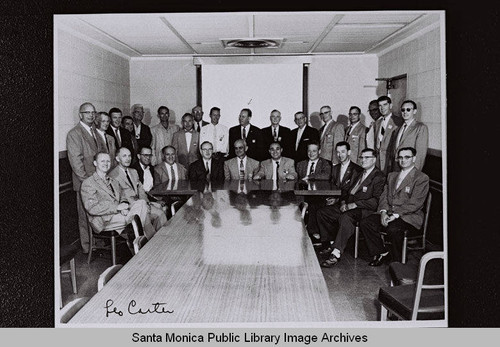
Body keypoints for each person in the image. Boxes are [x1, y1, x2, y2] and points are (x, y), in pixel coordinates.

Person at [359, 147, 429, 265]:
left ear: (414, 159)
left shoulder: (421, 178)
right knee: (366, 223)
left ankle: (397, 263)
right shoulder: (392, 175)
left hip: (409, 216)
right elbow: (384, 196)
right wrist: (383, 212)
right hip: (389, 212)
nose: (403, 160)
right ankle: (382, 253)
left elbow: (415, 203)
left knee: (394, 229)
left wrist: (395, 215)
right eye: (400, 157)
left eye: (407, 157)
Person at [317, 148, 385, 267]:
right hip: (349, 206)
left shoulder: (378, 176)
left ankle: (336, 253)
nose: (363, 160)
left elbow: (376, 201)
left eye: (366, 158)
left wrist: (354, 205)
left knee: (346, 217)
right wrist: (342, 201)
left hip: (365, 210)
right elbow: (347, 191)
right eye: (361, 157)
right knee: (323, 212)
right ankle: (332, 243)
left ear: (374, 160)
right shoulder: (359, 173)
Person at [80, 152, 156, 241]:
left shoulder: (113, 181)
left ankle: (136, 235)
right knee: (140, 216)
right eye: (102, 161)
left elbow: (123, 196)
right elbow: (92, 208)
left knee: (141, 203)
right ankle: (142, 239)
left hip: (120, 214)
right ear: (95, 163)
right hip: (104, 220)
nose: (106, 164)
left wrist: (124, 206)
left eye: (108, 161)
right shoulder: (88, 183)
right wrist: (117, 208)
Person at [306, 141, 362, 242]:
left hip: (347, 203)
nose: (339, 155)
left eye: (343, 152)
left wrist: (337, 200)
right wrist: (330, 198)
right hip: (335, 200)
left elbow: (350, 191)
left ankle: (329, 241)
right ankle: (324, 240)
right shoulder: (335, 168)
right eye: (337, 152)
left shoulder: (357, 170)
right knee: (314, 205)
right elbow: (331, 186)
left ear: (349, 152)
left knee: (321, 212)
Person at [109, 147, 168, 233]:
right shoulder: (113, 175)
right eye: (124, 156)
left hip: (141, 203)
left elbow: (141, 190)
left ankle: (162, 241)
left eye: (129, 156)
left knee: (160, 214)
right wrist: (141, 205)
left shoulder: (133, 171)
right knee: (146, 219)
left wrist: (146, 203)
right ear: (117, 159)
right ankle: (149, 243)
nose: (128, 159)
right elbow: (119, 198)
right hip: (130, 209)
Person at [66, 102, 99, 253]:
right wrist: (87, 182)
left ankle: (97, 244)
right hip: (84, 183)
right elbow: (76, 161)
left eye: (93, 112)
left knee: (95, 214)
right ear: (80, 115)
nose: (91, 115)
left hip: (97, 182)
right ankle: (87, 247)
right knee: (85, 217)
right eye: (87, 112)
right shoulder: (74, 133)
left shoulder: (95, 132)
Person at [391, 100, 429, 171]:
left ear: (414, 111)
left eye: (408, 110)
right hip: (396, 168)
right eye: (403, 110)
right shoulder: (398, 128)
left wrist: (414, 173)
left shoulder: (420, 127)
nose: (405, 112)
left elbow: (420, 155)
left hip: (409, 169)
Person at [374, 96, 403, 173]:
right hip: (378, 161)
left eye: (385, 105)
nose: (382, 108)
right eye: (380, 105)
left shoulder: (398, 122)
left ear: (390, 105)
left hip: (390, 162)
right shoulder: (377, 123)